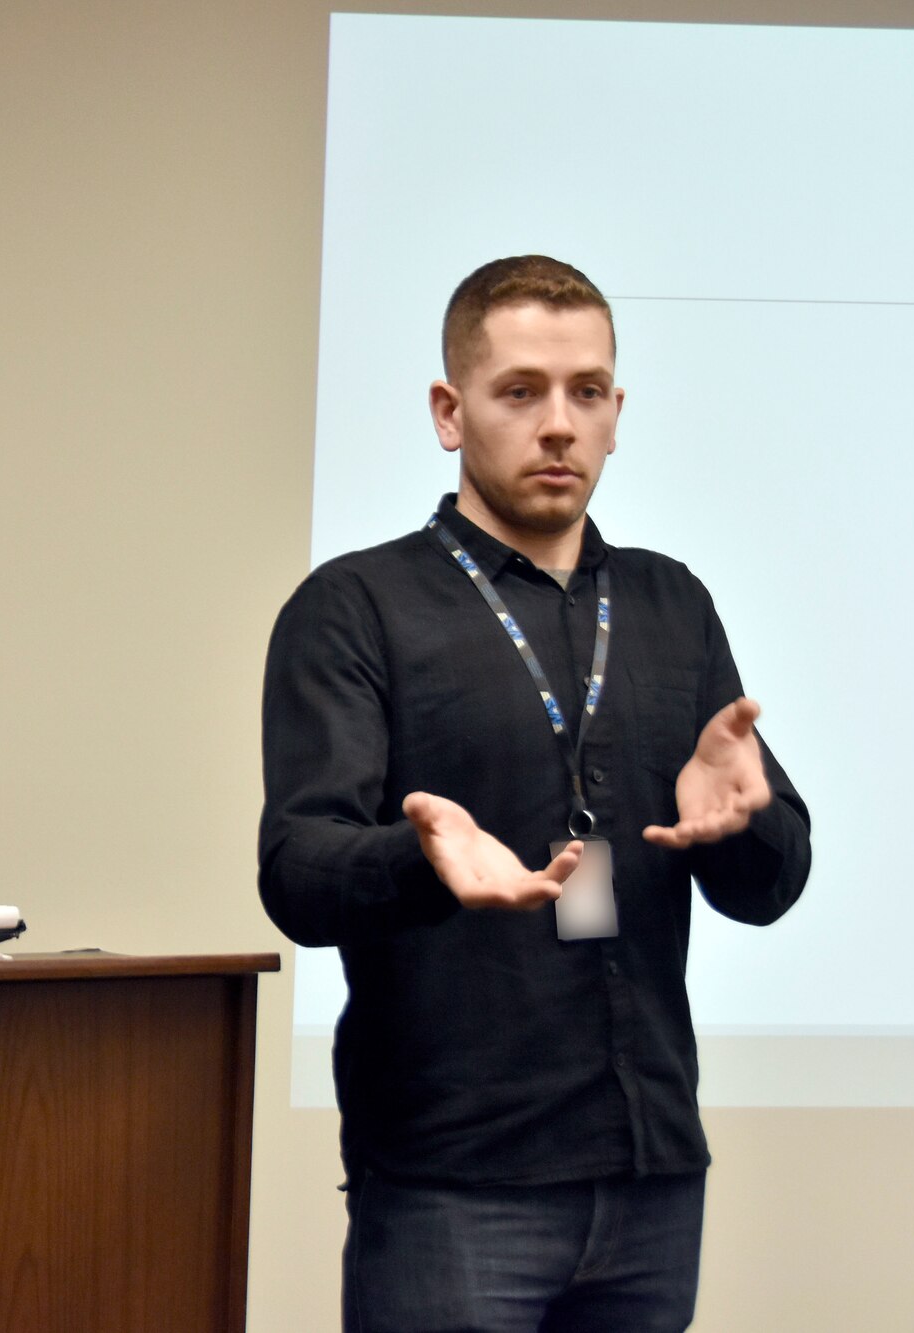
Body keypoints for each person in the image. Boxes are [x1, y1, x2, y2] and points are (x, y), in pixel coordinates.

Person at [258, 256, 811, 1332]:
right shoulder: (355, 606)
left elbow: (767, 883)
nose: (557, 424)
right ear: (448, 412)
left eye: (585, 392)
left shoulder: (669, 602)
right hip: (452, 1185)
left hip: (650, 1170)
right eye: (519, 392)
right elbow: (295, 870)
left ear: (613, 414)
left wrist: (736, 824)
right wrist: (419, 860)